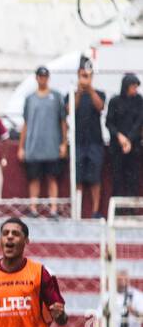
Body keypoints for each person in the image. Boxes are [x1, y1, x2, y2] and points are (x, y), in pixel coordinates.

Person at [18, 65, 67, 205]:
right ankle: (33, 207)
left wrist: (63, 143)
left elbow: (63, 122)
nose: (43, 79)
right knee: (34, 178)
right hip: (34, 147)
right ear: (36, 78)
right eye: (40, 76)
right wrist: (21, 147)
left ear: (48, 78)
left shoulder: (57, 97)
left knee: (52, 178)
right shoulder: (30, 99)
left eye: (45, 77)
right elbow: (26, 123)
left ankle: (53, 208)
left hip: (52, 147)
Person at [72, 65, 106, 218]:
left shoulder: (99, 93)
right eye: (82, 75)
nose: (84, 78)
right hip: (78, 141)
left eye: (87, 75)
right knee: (78, 177)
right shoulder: (73, 94)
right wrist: (79, 90)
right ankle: (77, 211)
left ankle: (95, 210)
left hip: (95, 141)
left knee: (95, 178)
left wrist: (90, 88)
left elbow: (100, 107)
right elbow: (70, 109)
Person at [105, 74, 142, 202]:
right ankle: (118, 210)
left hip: (134, 146)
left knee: (133, 178)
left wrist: (129, 139)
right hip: (117, 147)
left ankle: (131, 210)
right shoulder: (115, 101)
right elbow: (109, 122)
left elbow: (139, 123)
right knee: (118, 178)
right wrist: (120, 137)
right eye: (133, 87)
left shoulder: (139, 101)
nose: (135, 90)